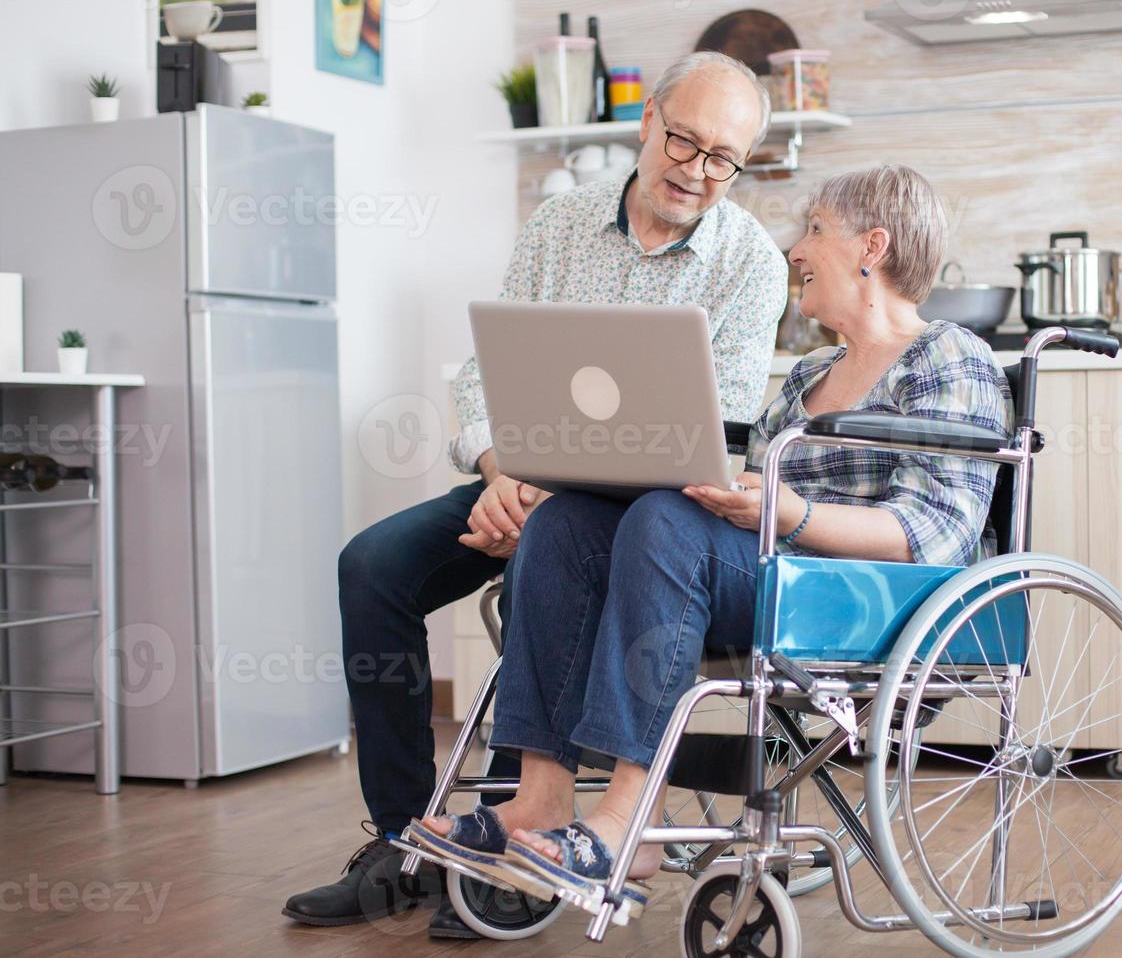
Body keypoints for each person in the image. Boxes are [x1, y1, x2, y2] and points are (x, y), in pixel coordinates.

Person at [283, 52, 789, 936]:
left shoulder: (750, 262)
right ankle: (406, 842)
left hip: (645, 512)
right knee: (372, 568)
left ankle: (525, 840)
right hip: (522, 480)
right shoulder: (560, 225)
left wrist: (549, 494)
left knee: (550, 557)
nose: (696, 170)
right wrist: (500, 474)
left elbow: (723, 427)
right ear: (645, 124)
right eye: (682, 141)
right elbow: (488, 375)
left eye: (722, 157)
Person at [412, 165, 1013, 906]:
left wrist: (788, 514)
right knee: (567, 524)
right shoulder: (808, 376)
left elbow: (937, 534)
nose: (796, 250)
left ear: (873, 247)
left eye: (815, 230)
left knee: (669, 526)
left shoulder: (950, 357)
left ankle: (626, 823)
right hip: (775, 579)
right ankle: (539, 796)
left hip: (871, 597)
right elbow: (756, 506)